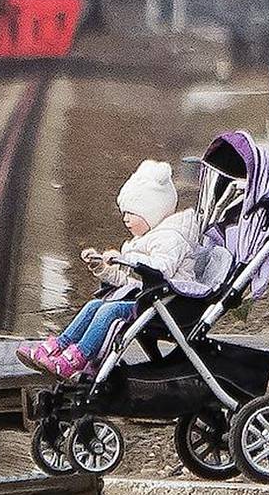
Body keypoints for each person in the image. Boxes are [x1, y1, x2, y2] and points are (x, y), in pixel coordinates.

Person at [17, 160, 198, 381]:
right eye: (125, 213)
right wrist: (103, 269)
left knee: (109, 311)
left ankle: (77, 359)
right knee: (95, 304)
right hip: (151, 300)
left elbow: (162, 270)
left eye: (133, 213)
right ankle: (60, 347)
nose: (126, 219)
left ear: (153, 211)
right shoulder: (148, 239)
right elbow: (133, 284)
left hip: (172, 306)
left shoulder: (171, 239)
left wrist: (126, 258)